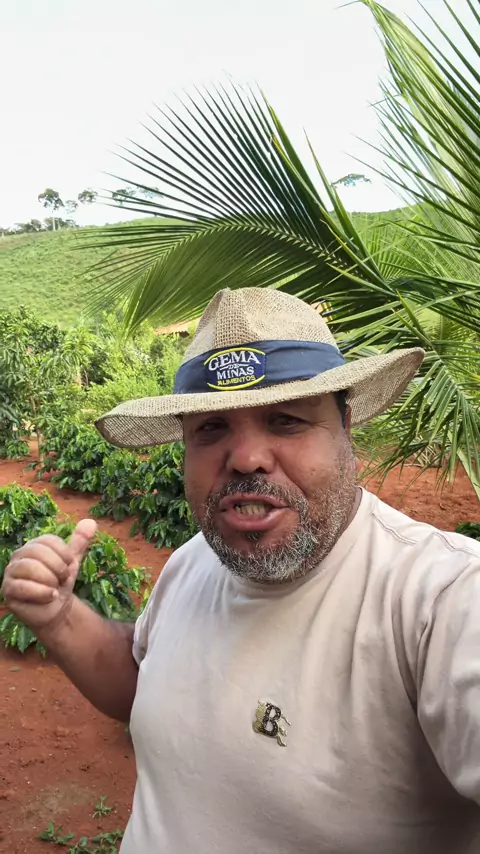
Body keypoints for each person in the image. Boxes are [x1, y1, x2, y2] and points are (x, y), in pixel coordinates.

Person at [2, 287, 480, 854]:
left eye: (285, 420)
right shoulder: (193, 559)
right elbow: (145, 685)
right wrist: (60, 618)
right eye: (212, 428)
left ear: (346, 425)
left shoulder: (443, 601)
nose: (246, 457)